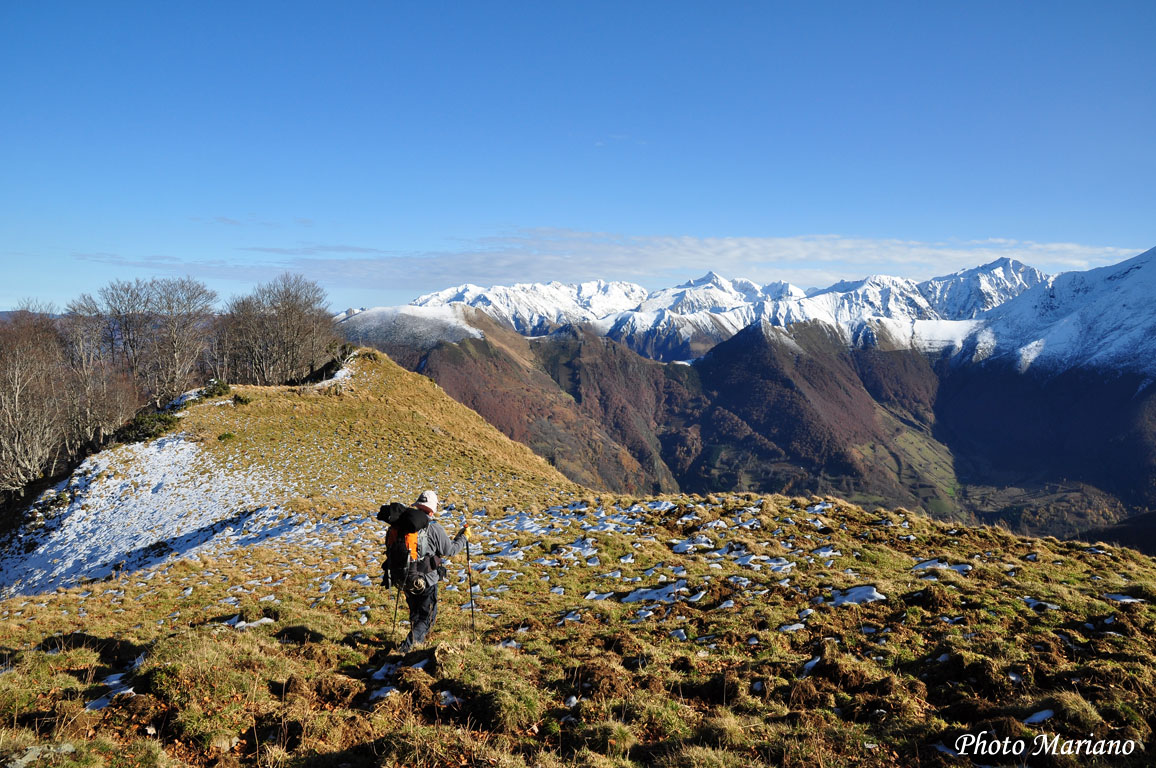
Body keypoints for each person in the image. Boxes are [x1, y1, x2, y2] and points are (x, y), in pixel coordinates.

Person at [381, 490, 469, 653]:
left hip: (406, 577)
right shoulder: (434, 528)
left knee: (416, 614)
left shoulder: (404, 526)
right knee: (426, 619)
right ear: (432, 509)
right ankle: (406, 650)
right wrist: (463, 538)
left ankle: (416, 643)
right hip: (426, 581)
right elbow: (450, 550)